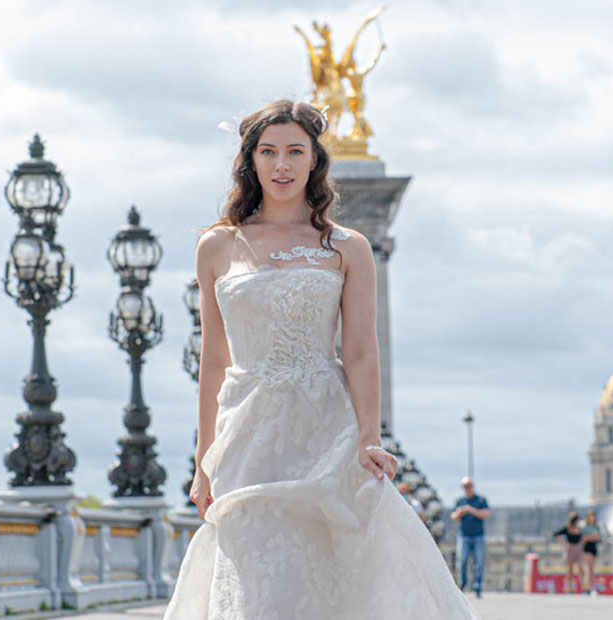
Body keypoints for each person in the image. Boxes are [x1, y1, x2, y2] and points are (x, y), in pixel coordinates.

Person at [163, 100, 479, 619]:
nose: (281, 165)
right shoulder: (217, 247)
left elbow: (358, 349)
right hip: (248, 429)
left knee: (333, 571)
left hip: (325, 424)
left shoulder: (346, 247)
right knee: (255, 564)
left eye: (294, 151)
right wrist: (203, 462)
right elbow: (214, 360)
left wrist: (368, 436)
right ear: (251, 161)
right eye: (269, 152)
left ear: (314, 161)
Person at [451, 477, 490, 598]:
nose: (467, 489)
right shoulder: (460, 501)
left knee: (478, 562)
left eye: (469, 486)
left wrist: (471, 510)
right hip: (464, 535)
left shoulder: (481, 500)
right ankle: (463, 582)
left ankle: (477, 585)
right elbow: (454, 517)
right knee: (462, 561)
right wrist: (461, 512)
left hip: (478, 535)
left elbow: (486, 514)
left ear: (473, 486)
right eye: (465, 486)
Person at [553, 512, 584, 594]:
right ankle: (570, 588)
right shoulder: (567, 529)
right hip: (570, 548)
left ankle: (584, 587)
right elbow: (555, 534)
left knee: (581, 568)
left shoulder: (580, 529)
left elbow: (583, 537)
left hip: (578, 548)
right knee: (570, 570)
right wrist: (563, 542)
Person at [580, 508, 602, 594]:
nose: (593, 517)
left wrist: (594, 537)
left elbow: (600, 538)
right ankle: (587, 588)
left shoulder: (596, 526)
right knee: (588, 568)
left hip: (594, 547)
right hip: (587, 547)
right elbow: (582, 538)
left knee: (592, 569)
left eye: (594, 515)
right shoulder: (585, 526)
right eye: (591, 515)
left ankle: (591, 587)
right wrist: (592, 537)